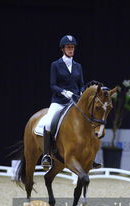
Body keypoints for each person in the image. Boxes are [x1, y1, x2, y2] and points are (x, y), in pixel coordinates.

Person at [41, 35, 101, 169]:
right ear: (62, 49)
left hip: (75, 102)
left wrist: (81, 92)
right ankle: (46, 155)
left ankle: (91, 158)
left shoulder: (78, 66)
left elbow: (81, 84)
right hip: (59, 101)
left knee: (90, 123)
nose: (71, 49)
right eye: (68, 47)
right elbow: (52, 85)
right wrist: (64, 92)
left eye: (72, 47)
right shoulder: (55, 65)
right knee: (47, 123)